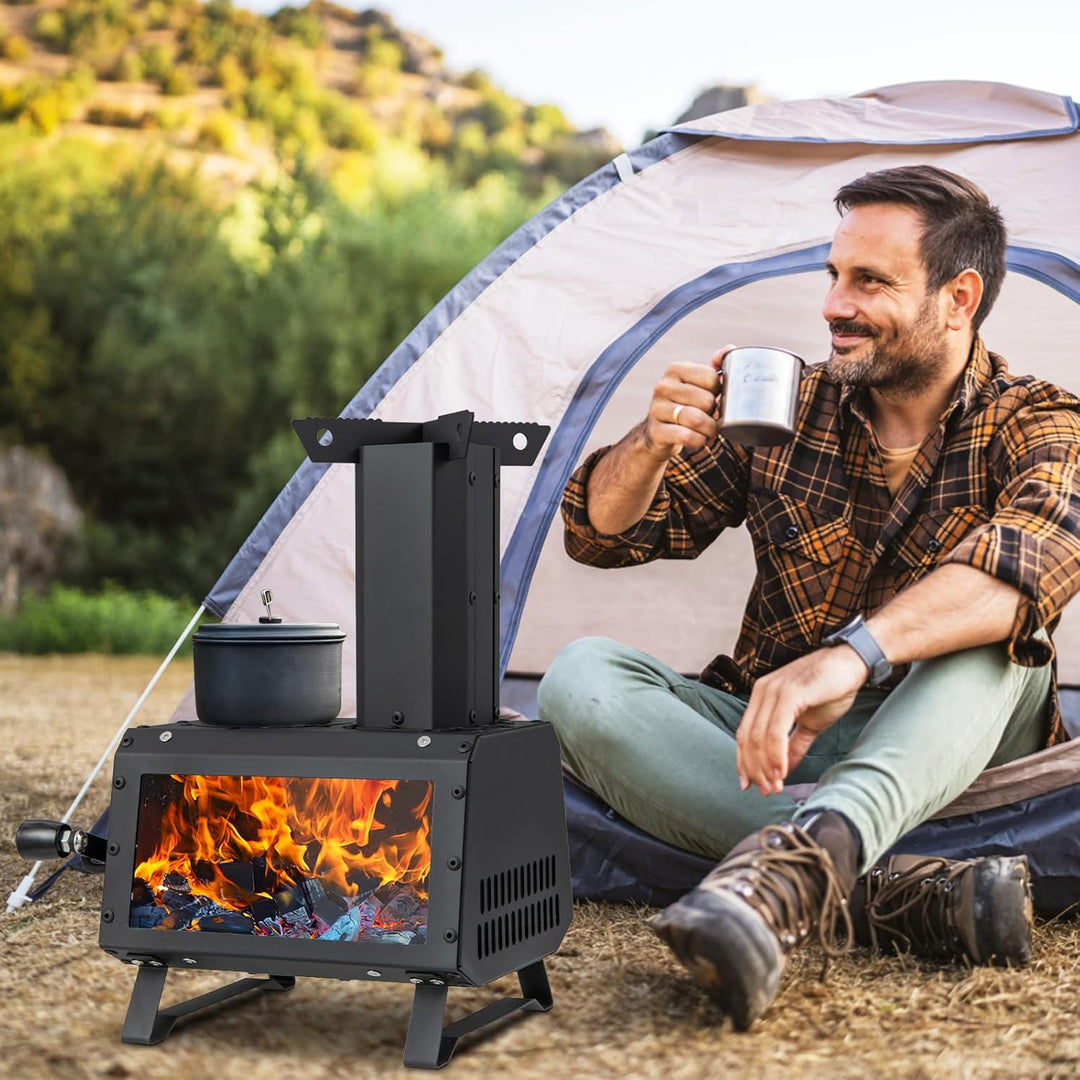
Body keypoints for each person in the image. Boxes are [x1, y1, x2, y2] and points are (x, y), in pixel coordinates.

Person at [537, 165, 1080, 1028]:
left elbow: (1039, 555)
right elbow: (603, 537)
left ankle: (795, 871)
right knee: (577, 676)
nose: (835, 304)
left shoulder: (1042, 420)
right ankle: (871, 883)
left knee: (1005, 626)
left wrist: (851, 655)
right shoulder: (790, 404)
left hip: (957, 751)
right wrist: (650, 442)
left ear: (958, 297)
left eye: (869, 281)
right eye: (832, 275)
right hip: (777, 750)